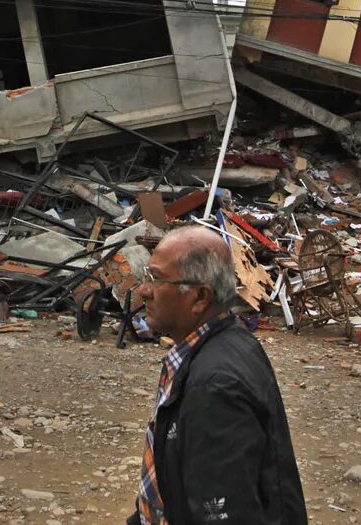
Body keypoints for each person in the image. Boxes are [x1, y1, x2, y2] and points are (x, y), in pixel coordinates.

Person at [127, 225, 307, 525]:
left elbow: (226, 512)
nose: (144, 291)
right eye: (147, 276)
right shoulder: (224, 343)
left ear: (200, 297)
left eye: (156, 280)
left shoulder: (214, 386)